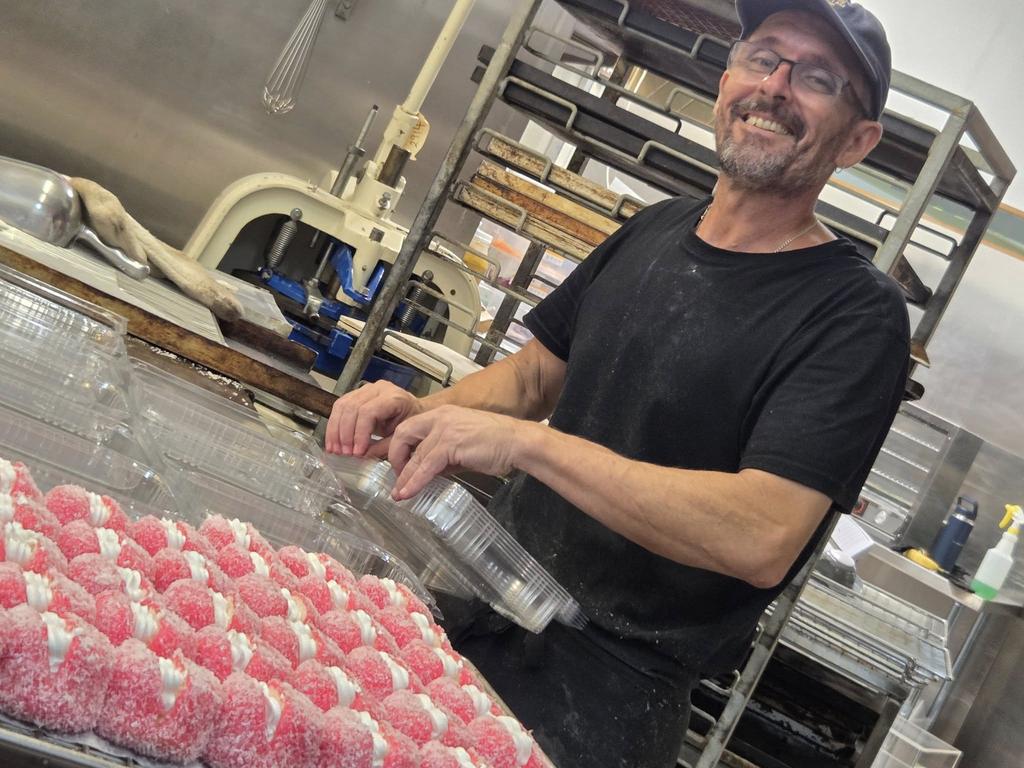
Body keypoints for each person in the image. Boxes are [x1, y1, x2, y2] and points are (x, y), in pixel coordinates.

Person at [326, 1, 909, 765]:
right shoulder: (658, 228)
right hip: (479, 613)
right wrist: (420, 413)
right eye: (763, 57)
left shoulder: (854, 315)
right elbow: (537, 373)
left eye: (819, 78)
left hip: (605, 700)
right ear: (727, 79)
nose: (776, 86)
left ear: (859, 141)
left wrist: (527, 448)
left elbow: (761, 534)